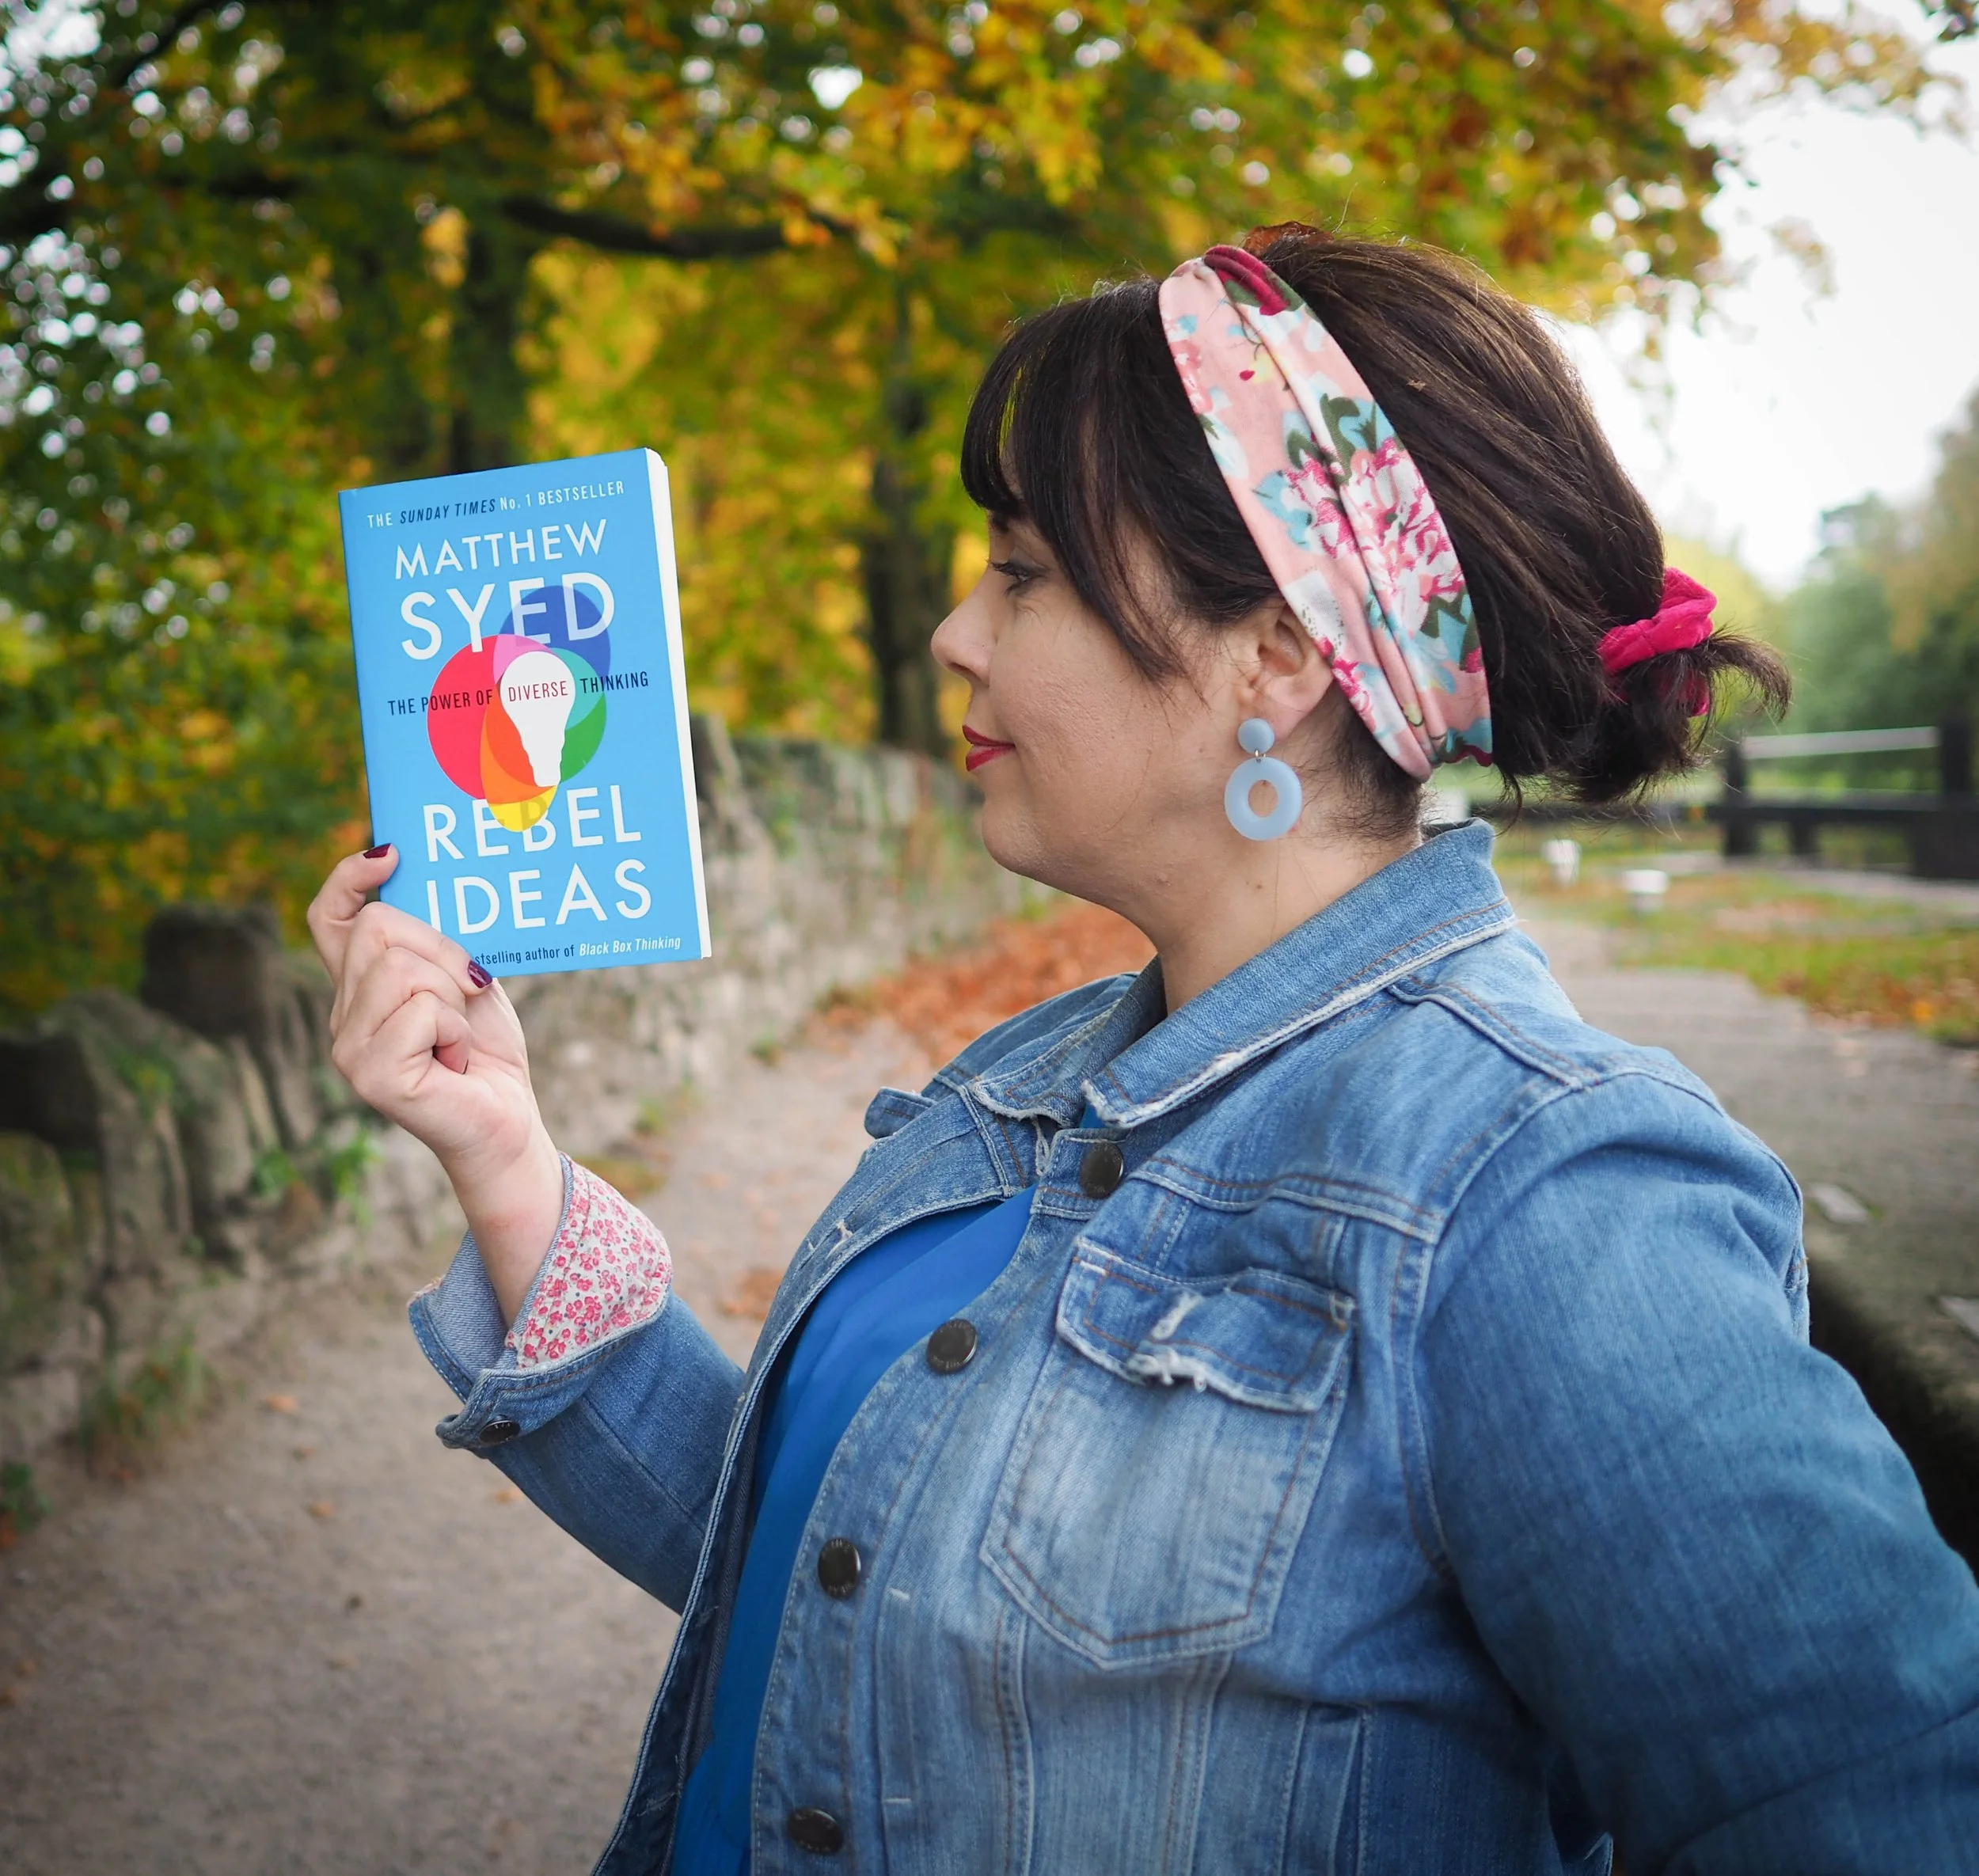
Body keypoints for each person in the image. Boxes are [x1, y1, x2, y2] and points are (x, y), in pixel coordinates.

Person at [307, 227, 1979, 1876]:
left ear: (1281, 654)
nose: (957, 633)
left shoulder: (1548, 1195)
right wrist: (505, 1154)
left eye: (1025, 572)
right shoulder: (1019, 1085)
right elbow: (828, 1594)